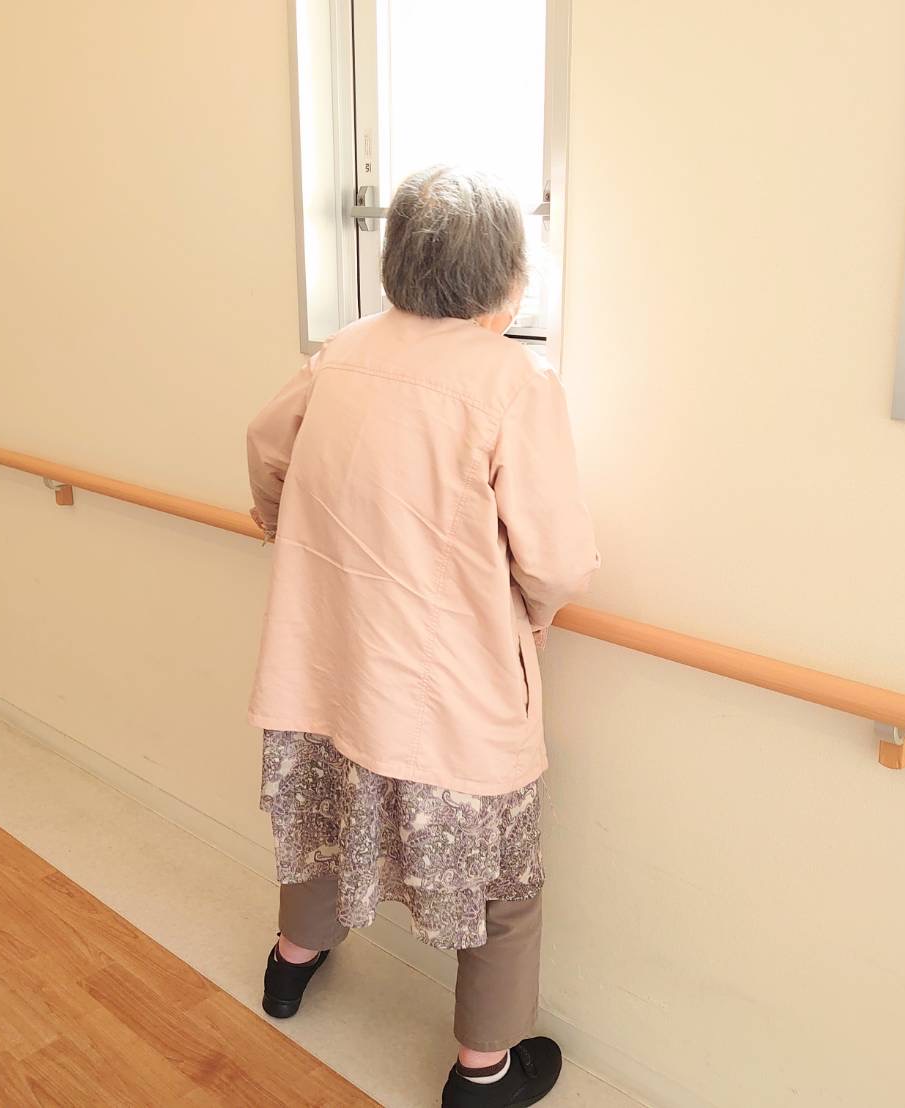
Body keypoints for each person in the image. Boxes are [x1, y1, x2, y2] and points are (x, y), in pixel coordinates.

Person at [245, 165, 598, 1107]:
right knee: (500, 879)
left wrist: (281, 525)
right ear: (505, 274)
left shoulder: (343, 350)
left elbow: (266, 447)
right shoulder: (512, 381)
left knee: (326, 817)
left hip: (327, 659)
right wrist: (533, 612)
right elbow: (557, 558)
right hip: (449, 685)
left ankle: (290, 964)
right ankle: (484, 1072)